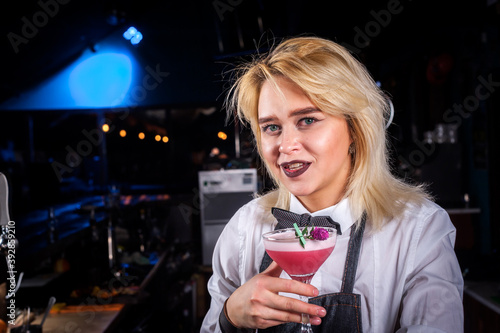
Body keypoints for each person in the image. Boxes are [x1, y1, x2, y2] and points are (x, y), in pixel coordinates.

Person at [201, 36, 464, 332]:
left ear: (355, 128)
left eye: (308, 120)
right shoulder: (243, 229)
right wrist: (229, 317)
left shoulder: (420, 230)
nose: (286, 146)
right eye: (272, 127)